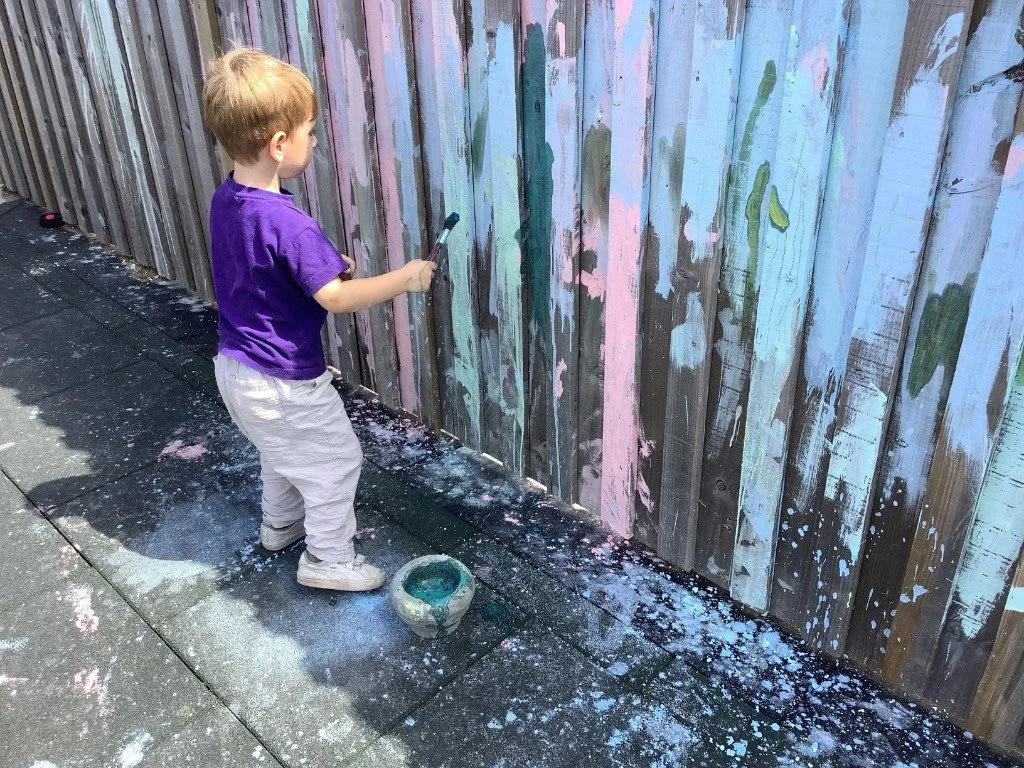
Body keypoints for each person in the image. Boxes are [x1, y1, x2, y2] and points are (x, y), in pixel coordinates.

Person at [201, 47, 436, 591]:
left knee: (282, 454)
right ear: (279, 144)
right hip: (285, 381)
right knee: (333, 462)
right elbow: (334, 297)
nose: (315, 142)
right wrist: (404, 277)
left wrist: (323, 270)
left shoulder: (228, 198)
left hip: (237, 371)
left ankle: (280, 525)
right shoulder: (289, 222)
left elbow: (262, 267)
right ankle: (327, 560)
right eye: (310, 132)